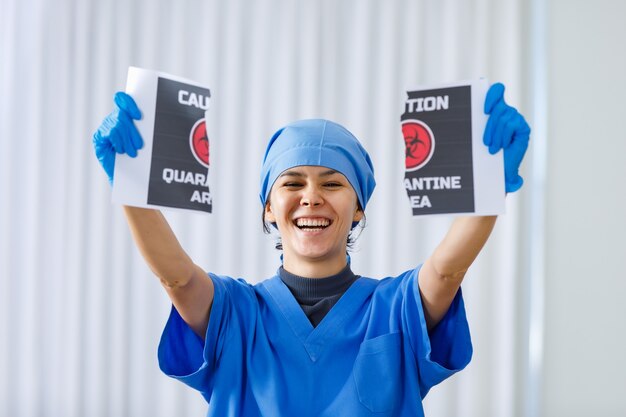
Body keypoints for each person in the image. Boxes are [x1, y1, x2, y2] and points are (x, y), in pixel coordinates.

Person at [93, 82, 530, 417]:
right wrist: (131, 184)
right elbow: (178, 278)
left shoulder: (394, 308)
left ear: (358, 208)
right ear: (269, 208)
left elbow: (446, 272)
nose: (311, 197)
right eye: (293, 182)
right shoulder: (236, 314)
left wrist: (488, 186)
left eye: (332, 183)